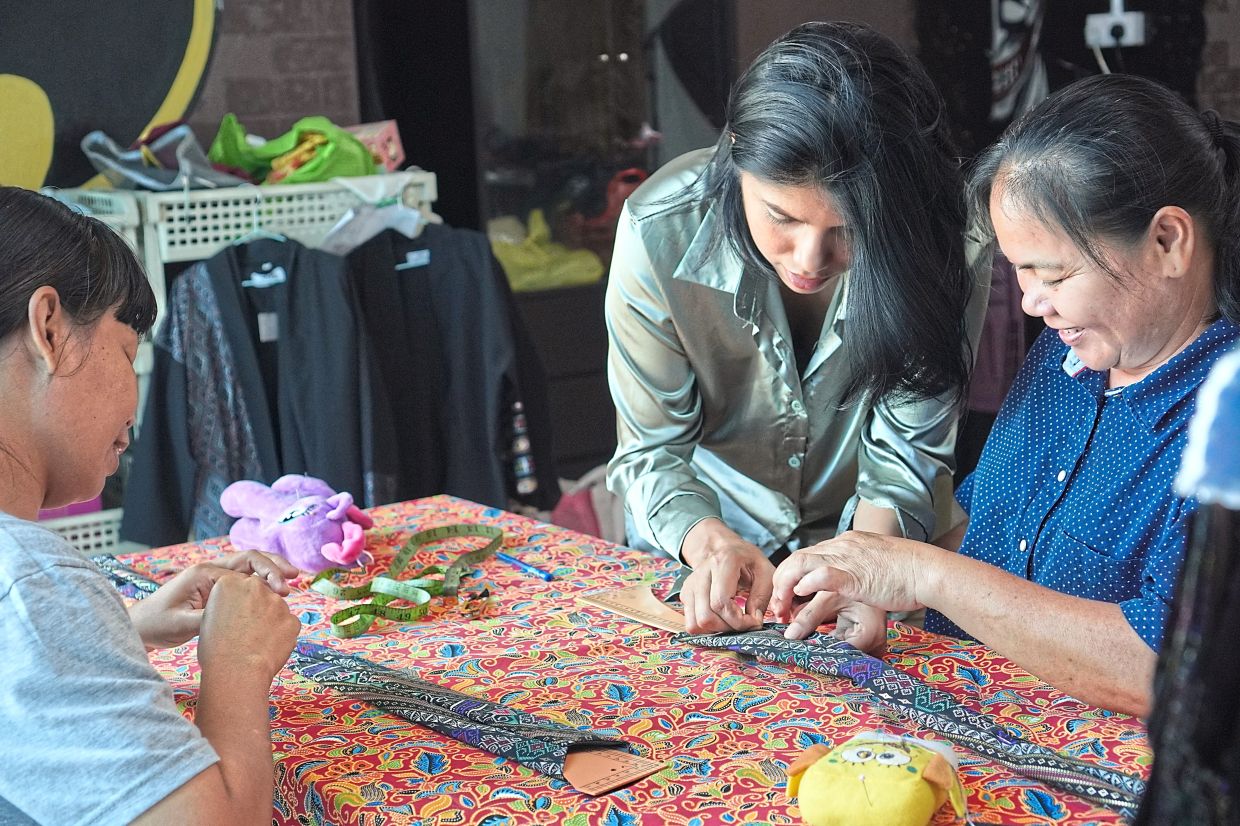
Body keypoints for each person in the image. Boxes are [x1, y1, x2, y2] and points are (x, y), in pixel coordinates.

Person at [771, 73, 1240, 717]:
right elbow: (993, 538)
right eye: (1018, 270)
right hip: (963, 724)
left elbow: (1169, 667)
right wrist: (876, 585)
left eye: (1053, 274)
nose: (1028, 302)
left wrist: (922, 573)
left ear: (1168, 241)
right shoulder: (1069, 352)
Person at [605, 21, 988, 647]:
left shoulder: (945, 240)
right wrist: (708, 541)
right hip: (707, 555)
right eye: (781, 217)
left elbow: (906, 458)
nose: (809, 258)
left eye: (848, 229)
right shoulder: (658, 229)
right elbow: (652, 450)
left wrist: (861, 569)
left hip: (881, 549)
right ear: (734, 154)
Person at [0, 186, 301, 824]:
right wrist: (237, 664)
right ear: (49, 328)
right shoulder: (31, 583)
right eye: (125, 353)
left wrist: (116, 632)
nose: (133, 413)